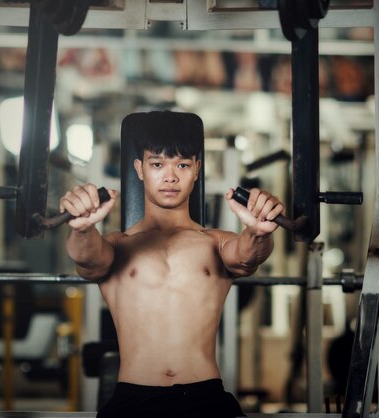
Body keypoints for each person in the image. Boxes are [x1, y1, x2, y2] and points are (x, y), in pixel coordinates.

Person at [60, 111, 284, 418]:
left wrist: (258, 232)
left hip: (205, 400)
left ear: (197, 170)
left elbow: (247, 258)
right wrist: (82, 228)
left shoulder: (216, 243)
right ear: (140, 169)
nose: (170, 177)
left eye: (182, 164)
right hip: (134, 402)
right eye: (157, 164)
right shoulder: (116, 245)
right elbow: (88, 260)